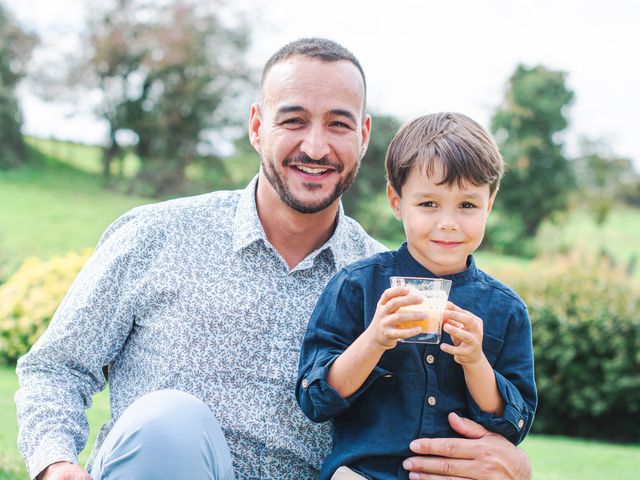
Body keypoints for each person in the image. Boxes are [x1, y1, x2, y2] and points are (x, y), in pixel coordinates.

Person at [15, 38, 532, 480]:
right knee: (168, 420)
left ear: (364, 136)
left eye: (337, 124)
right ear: (257, 126)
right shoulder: (156, 235)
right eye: (294, 120)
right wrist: (55, 465)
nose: (315, 145)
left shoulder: (396, 287)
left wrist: (511, 463)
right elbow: (57, 368)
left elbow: (445, 410)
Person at [297, 112, 537, 480]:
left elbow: (511, 426)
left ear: (489, 204)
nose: (448, 222)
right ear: (397, 202)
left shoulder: (506, 310)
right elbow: (316, 400)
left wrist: (475, 360)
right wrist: (374, 339)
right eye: (428, 204)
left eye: (467, 205)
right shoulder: (356, 285)